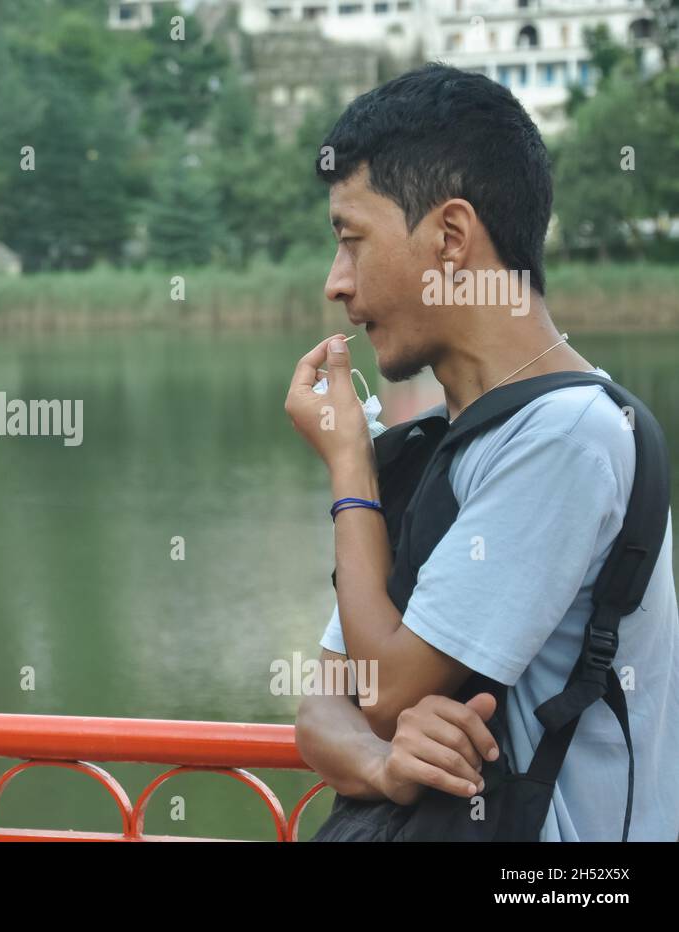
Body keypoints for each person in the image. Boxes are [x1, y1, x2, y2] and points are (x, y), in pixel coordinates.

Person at [286, 64, 679, 840]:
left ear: (452, 236)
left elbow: (386, 689)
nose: (336, 283)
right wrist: (382, 765)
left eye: (352, 240)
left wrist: (350, 469)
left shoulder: (567, 437)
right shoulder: (454, 441)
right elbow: (322, 706)